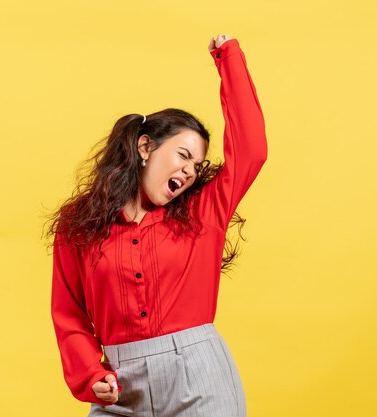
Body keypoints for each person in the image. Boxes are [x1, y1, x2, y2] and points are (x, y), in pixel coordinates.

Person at [46, 33, 267, 417]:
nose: (189, 171)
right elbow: (69, 313)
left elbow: (251, 150)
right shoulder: (78, 224)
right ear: (145, 147)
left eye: (197, 166)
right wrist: (89, 374)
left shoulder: (203, 211)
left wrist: (228, 59)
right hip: (121, 387)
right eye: (183, 155)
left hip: (199, 379)